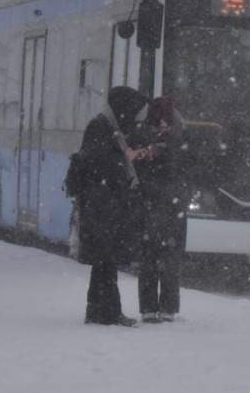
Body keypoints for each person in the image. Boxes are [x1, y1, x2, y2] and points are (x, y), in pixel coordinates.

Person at [76, 86, 149, 327]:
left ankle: (98, 310)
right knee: (106, 261)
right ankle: (107, 312)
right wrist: (122, 166)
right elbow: (99, 166)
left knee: (104, 263)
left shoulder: (107, 127)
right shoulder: (102, 128)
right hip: (101, 208)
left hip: (103, 207)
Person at [132, 96, 189, 323]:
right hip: (168, 206)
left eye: (165, 121)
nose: (162, 125)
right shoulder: (179, 137)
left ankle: (157, 307)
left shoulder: (143, 137)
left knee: (154, 258)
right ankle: (161, 307)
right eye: (159, 121)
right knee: (164, 259)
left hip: (155, 205)